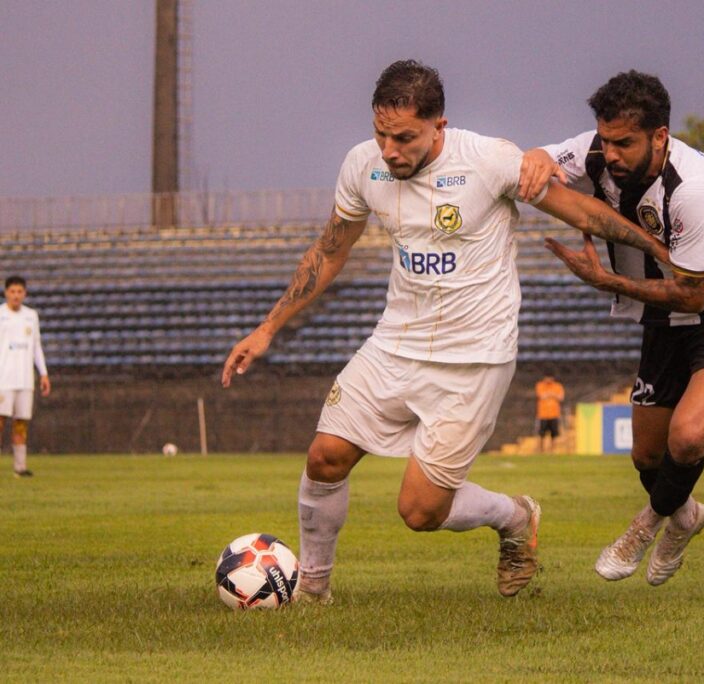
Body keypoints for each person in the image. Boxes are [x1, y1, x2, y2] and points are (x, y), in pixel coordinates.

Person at [221, 60, 672, 602]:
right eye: (381, 134)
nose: (390, 149)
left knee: (419, 511)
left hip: (474, 358)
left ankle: (515, 516)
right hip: (394, 343)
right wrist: (269, 327)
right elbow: (330, 249)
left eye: (404, 137)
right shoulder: (363, 166)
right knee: (325, 456)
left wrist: (663, 253)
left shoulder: (488, 161)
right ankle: (313, 593)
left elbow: (582, 211)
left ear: (440, 125)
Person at [519, 70, 704, 586]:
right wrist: (533, 157)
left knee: (686, 438)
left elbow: (693, 293)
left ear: (660, 136)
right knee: (647, 454)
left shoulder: (697, 191)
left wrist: (605, 280)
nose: (611, 153)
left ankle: (647, 527)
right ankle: (685, 515)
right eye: (606, 139)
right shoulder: (596, 149)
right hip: (666, 321)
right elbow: (547, 166)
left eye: (626, 143)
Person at [0, 276, 51, 478]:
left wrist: (43, 373)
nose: (16, 295)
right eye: (12, 291)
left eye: (19, 292)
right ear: (6, 293)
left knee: (21, 422)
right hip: (3, 378)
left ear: (25, 293)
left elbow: (36, 346)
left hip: (25, 379)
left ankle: (20, 467)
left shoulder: (31, 315)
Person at [534, 373, 565, 453]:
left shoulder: (557, 386)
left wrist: (550, 394)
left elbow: (560, 397)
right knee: (541, 434)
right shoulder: (540, 385)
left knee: (554, 434)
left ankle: (552, 450)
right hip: (543, 415)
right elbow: (541, 396)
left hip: (554, 414)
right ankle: (541, 450)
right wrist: (553, 395)